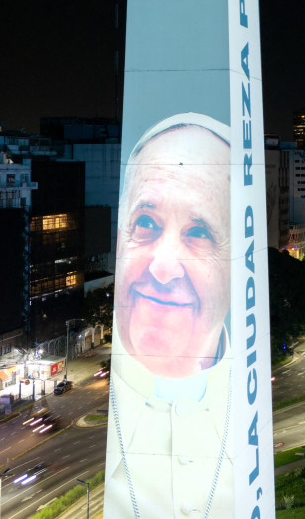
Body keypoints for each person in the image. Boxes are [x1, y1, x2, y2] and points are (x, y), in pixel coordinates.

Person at [106, 113, 235, 519]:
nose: (162, 268)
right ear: (119, 242)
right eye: (146, 223)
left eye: (198, 233)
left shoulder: (252, 423)